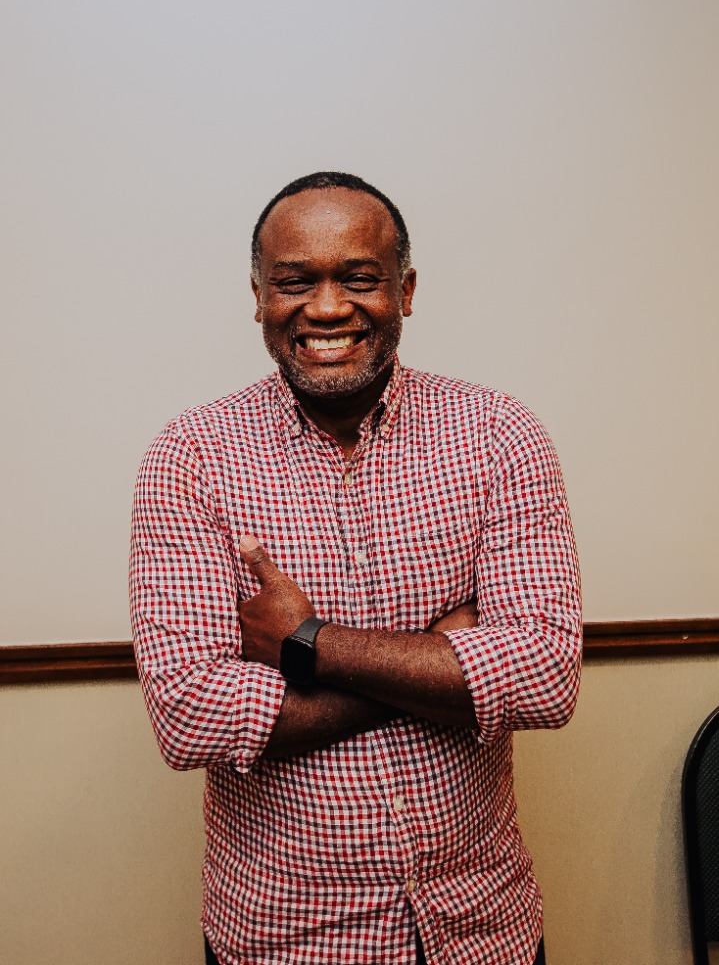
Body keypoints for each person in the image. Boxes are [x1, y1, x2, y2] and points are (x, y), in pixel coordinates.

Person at [130, 171, 581, 965]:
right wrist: (442, 657)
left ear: (405, 290)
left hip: (481, 930)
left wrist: (307, 645)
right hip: (284, 940)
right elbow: (189, 715)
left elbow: (543, 678)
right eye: (294, 282)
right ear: (259, 297)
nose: (328, 307)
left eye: (359, 278)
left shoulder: (499, 434)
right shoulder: (191, 456)